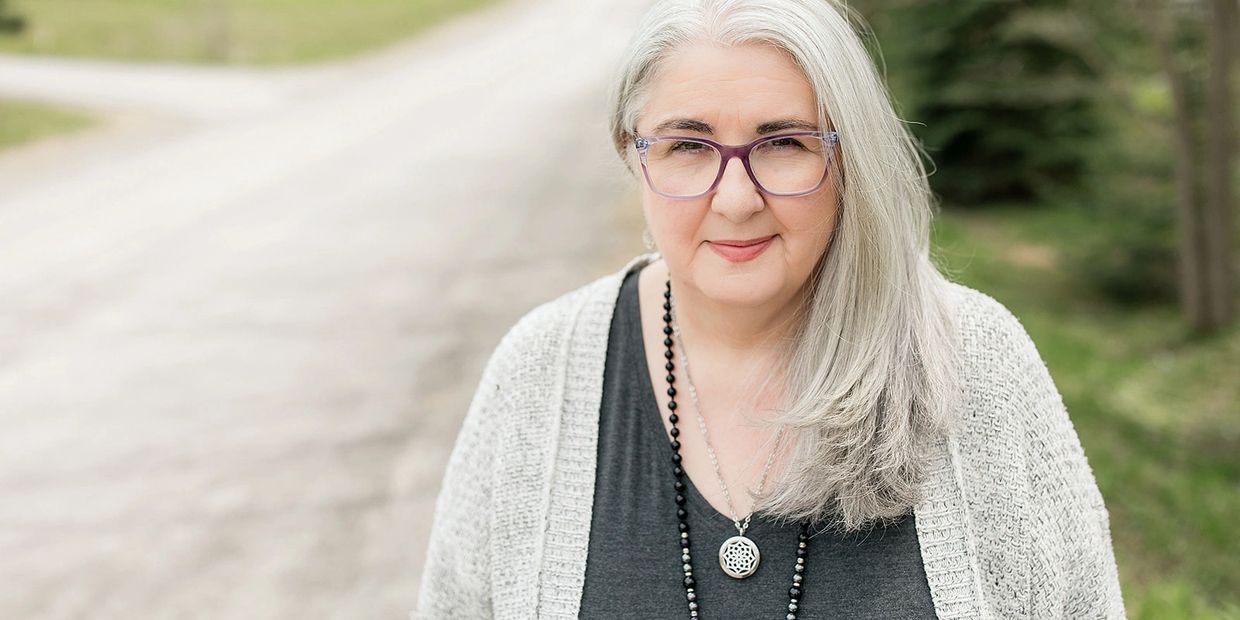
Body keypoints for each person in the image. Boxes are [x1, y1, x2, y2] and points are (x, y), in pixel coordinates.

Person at [413, 0, 1127, 618]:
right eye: (688, 145)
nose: (735, 199)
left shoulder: (977, 361)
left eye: (783, 143)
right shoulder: (539, 370)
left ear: (850, 157)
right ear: (633, 158)